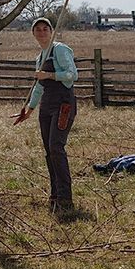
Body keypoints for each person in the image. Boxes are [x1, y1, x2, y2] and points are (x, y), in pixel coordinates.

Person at [13, 17, 79, 214]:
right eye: (38, 30)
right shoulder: (40, 57)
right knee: (49, 151)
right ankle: (55, 194)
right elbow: (39, 88)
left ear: (51, 31)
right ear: (33, 33)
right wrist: (29, 110)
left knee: (56, 147)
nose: (41, 32)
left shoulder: (60, 49)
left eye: (45, 29)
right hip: (47, 106)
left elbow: (72, 74)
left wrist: (49, 75)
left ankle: (66, 198)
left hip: (63, 103)